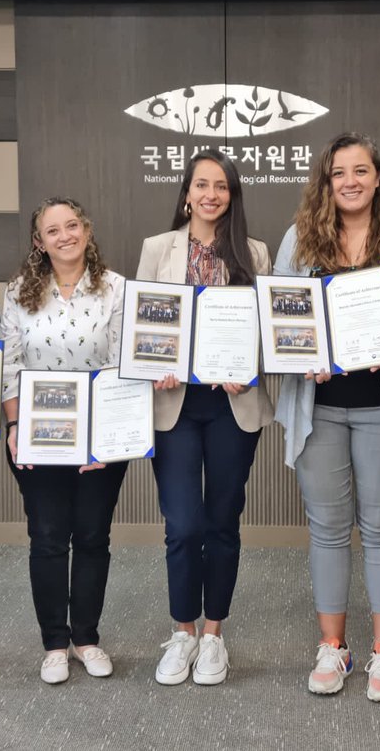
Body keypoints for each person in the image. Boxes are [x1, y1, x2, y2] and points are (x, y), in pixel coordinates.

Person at [274, 132, 380, 702]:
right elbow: (283, 322)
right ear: (326, 182)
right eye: (339, 172)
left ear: (377, 177)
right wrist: (301, 354)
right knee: (327, 528)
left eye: (361, 170)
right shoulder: (298, 240)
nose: (350, 181)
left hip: (379, 407)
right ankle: (333, 646)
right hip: (317, 406)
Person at [136, 149, 274, 687]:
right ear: (186, 192)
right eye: (201, 185)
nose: (211, 194)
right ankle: (182, 632)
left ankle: (214, 635)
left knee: (221, 522)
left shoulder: (254, 252)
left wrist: (251, 368)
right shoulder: (157, 249)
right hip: (174, 405)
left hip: (231, 406)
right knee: (181, 525)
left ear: (232, 195)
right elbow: (144, 322)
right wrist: (154, 364)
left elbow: (268, 331)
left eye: (221, 186)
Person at [0, 197, 129, 686]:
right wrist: (14, 428)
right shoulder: (19, 292)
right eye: (51, 230)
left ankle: (87, 637)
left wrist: (106, 440)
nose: (64, 236)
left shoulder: (116, 288)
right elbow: (10, 365)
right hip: (41, 437)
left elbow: (122, 365)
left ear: (86, 230)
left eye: (71, 225)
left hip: (102, 441)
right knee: (49, 539)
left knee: (93, 537)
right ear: (39, 242)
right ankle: (55, 643)